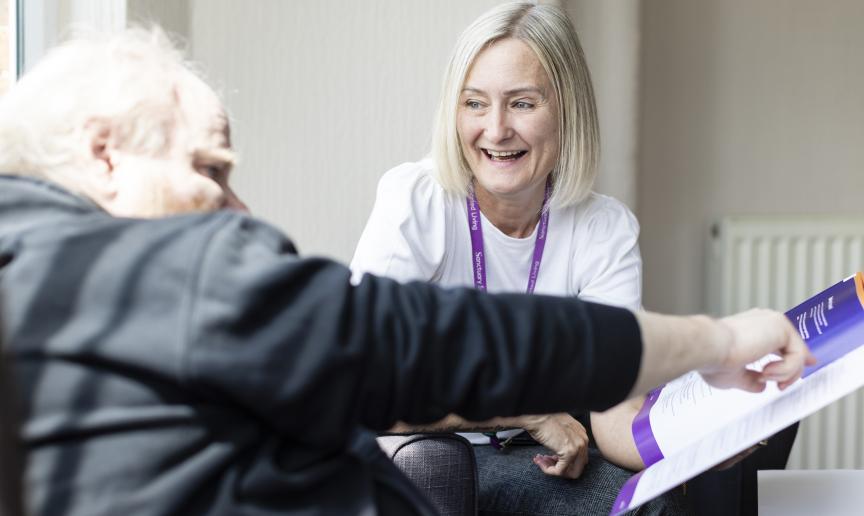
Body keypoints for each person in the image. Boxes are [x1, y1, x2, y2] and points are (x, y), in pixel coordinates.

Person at [0, 28, 812, 516]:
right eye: (209, 170)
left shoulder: (35, 273)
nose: (237, 212)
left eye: (524, 103)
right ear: (106, 156)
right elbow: (424, 341)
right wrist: (717, 339)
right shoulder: (174, 272)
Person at [351, 3, 665, 514]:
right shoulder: (417, 200)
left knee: (648, 503)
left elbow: (613, 408)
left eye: (521, 103)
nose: (495, 131)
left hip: (546, 458)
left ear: (568, 109)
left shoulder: (603, 228)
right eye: (475, 103)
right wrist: (523, 409)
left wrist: (698, 438)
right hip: (435, 449)